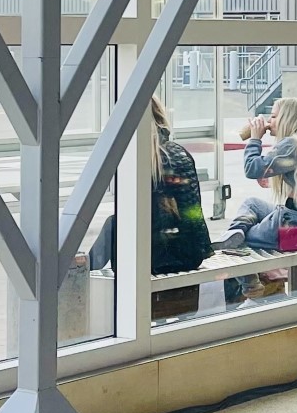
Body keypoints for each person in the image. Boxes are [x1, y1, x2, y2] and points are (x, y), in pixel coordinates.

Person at [86, 96, 213, 279]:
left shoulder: (139, 159)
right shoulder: (180, 152)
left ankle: (78, 273)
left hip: (151, 258)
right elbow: (192, 211)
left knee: (113, 224)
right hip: (191, 254)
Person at [220, 96, 297, 256]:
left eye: (273, 116)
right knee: (252, 204)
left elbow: (252, 169)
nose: (268, 121)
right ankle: (235, 232)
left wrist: (255, 139)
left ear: (286, 118)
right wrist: (271, 178)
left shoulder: (292, 144)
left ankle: (237, 240)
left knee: (240, 241)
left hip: (292, 229)